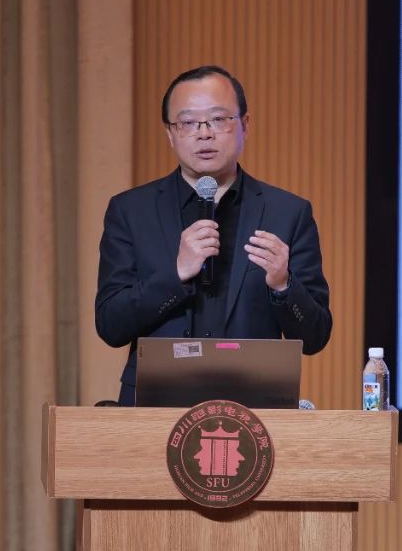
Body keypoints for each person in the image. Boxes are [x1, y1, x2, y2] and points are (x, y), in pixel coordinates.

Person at [95, 64, 333, 405]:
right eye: (188, 123)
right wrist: (176, 274)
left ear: (245, 125)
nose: (203, 134)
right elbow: (110, 325)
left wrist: (284, 285)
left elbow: (315, 337)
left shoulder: (288, 213)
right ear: (170, 134)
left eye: (218, 119)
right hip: (155, 406)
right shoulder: (131, 211)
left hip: (255, 408)